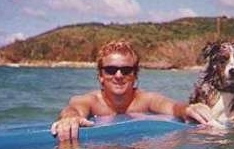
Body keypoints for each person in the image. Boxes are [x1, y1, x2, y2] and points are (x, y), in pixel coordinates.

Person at [51, 40, 214, 141]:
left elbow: (172, 107)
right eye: (110, 70)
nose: (119, 75)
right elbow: (73, 108)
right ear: (101, 76)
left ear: (135, 75)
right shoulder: (91, 101)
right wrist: (70, 118)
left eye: (126, 70)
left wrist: (189, 109)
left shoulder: (145, 100)